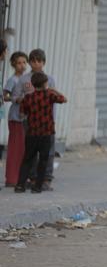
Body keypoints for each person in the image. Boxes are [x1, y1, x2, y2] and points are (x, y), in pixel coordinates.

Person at [12, 49, 58, 190]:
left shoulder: (50, 80)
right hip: (30, 122)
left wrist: (53, 119)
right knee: (31, 152)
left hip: (47, 124)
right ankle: (33, 179)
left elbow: (55, 100)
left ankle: (46, 179)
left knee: (48, 152)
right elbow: (15, 97)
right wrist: (24, 101)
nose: (36, 63)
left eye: (39, 61)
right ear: (30, 62)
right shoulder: (24, 79)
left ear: (44, 62)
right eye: (33, 61)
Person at [15, 72, 67, 193]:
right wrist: (55, 90)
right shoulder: (49, 95)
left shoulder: (27, 98)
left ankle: (20, 185)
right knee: (43, 160)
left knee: (27, 159)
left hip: (32, 134)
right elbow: (64, 99)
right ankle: (37, 187)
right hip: (46, 133)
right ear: (45, 84)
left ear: (32, 84)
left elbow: (22, 114)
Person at [4, 51, 28, 188]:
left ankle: (20, 176)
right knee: (15, 148)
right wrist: (16, 99)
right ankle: (11, 178)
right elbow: (5, 96)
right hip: (15, 118)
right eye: (19, 63)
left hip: (25, 117)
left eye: (24, 62)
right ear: (13, 64)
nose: (22, 65)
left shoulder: (27, 79)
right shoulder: (12, 80)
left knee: (23, 148)